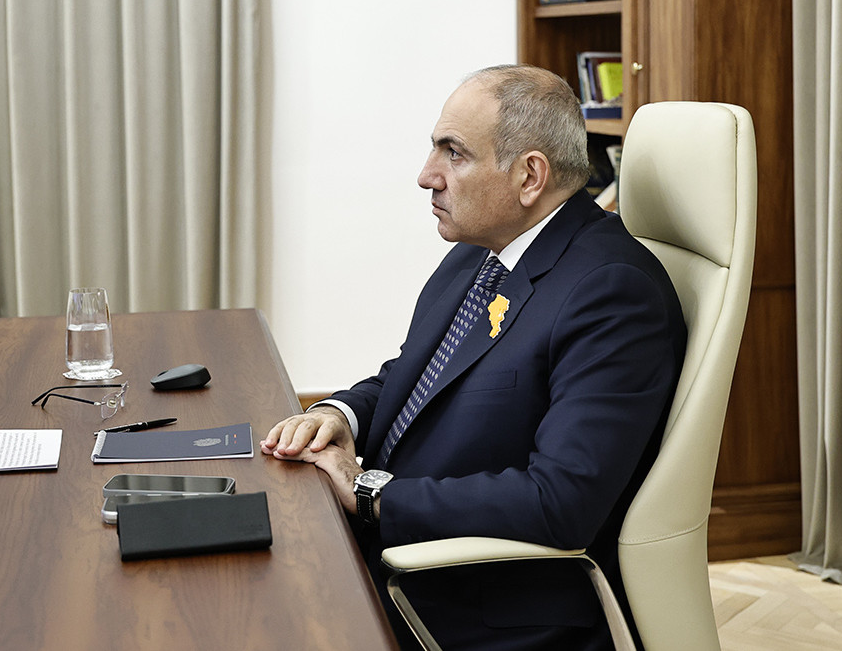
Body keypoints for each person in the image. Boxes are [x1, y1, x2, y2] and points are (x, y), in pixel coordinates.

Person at [262, 65, 686, 651]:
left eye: (453, 153)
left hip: (480, 600)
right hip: (399, 552)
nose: (426, 176)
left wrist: (370, 492)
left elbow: (561, 501)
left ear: (529, 176)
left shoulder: (612, 292)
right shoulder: (484, 248)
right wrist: (340, 414)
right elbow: (415, 376)